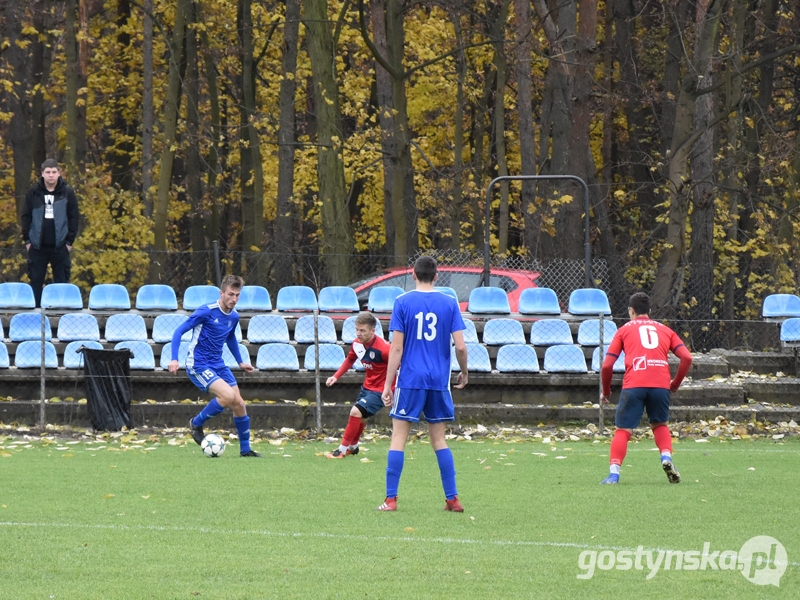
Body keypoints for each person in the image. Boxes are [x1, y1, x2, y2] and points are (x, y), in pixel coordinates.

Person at [378, 256, 468, 512]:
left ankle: (391, 499)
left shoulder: (402, 302)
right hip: (438, 380)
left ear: (414, 275)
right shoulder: (449, 303)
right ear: (437, 276)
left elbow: (396, 347)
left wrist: (387, 384)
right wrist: (464, 373)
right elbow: (460, 346)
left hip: (410, 380)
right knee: (439, 441)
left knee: (398, 438)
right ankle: (452, 499)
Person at [599, 292, 693, 485]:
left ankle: (614, 475)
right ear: (649, 311)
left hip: (634, 384)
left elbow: (607, 366)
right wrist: (674, 384)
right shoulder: (665, 330)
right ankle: (666, 458)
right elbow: (687, 357)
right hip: (660, 386)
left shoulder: (624, 330)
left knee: (623, 430)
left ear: (631, 311)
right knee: (659, 425)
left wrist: (606, 392)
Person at [168, 275, 261, 457]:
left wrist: (240, 361)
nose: (233, 299)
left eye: (237, 295)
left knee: (239, 403)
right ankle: (196, 423)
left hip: (218, 364)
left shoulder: (233, 317)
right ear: (222, 293)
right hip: (198, 364)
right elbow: (179, 331)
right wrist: (174, 358)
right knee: (227, 396)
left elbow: (231, 338)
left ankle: (245, 450)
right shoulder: (206, 311)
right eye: (230, 294)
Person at [325, 312, 393, 459]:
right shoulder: (357, 344)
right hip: (368, 386)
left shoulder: (385, 349)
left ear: (373, 331)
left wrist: (391, 389)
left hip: (381, 390)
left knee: (355, 412)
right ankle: (353, 447)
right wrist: (336, 376)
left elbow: (399, 367)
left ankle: (341, 451)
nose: (358, 333)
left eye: (362, 330)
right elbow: (350, 359)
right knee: (360, 418)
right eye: (357, 329)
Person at [21, 159, 80, 307]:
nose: (51, 175)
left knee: (61, 283)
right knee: (35, 283)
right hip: (37, 247)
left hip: (60, 246)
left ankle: (59, 316)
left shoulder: (67, 193)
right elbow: (25, 216)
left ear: (59, 173)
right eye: (48, 172)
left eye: (54, 172)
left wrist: (69, 242)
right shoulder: (33, 193)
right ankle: (36, 319)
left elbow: (74, 218)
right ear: (42, 174)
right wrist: (28, 241)